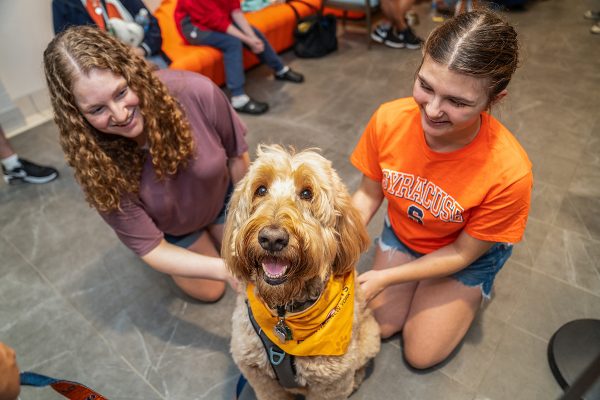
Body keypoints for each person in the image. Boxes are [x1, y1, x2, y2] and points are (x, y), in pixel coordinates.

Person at [351, 9, 532, 369]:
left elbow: (464, 253)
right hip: (407, 232)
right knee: (382, 326)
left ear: (495, 99)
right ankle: (417, 278)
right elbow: (369, 195)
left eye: (458, 102)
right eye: (425, 86)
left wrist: (387, 276)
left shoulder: (510, 172)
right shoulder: (388, 119)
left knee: (420, 354)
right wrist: (328, 243)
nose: (432, 110)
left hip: (463, 254)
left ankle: (475, 287)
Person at [44, 25, 249, 301]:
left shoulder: (195, 91)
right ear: (76, 116)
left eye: (120, 93)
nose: (120, 115)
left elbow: (238, 156)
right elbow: (153, 249)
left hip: (221, 199)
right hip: (174, 227)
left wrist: (249, 217)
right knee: (212, 290)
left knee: (252, 257)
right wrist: (224, 270)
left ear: (132, 72)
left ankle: (216, 230)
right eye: (97, 109)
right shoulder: (94, 162)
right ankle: (190, 243)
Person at [174, 0, 305, 115]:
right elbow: (217, 23)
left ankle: (280, 70)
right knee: (232, 42)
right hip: (193, 26)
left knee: (254, 32)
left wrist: (252, 37)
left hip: (218, 18)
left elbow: (235, 12)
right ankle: (238, 99)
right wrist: (248, 40)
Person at [52, 0, 170, 69]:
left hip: (146, 53)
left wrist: (140, 51)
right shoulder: (63, 4)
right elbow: (68, 49)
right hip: (106, 67)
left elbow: (153, 26)